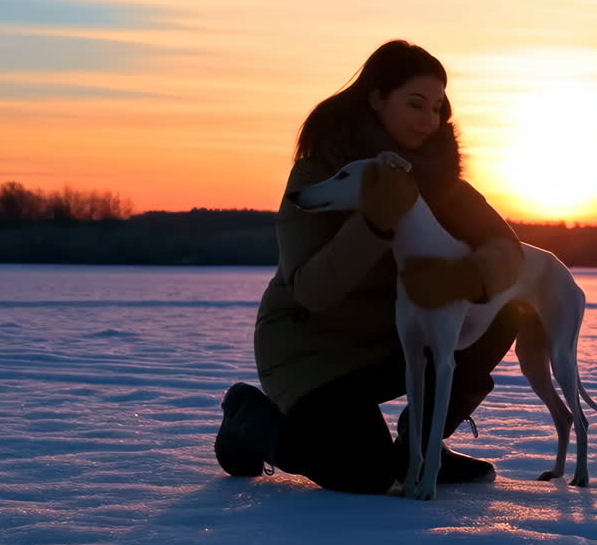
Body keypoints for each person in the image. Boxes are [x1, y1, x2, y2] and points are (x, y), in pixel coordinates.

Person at [213, 40, 524, 494]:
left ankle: (420, 448)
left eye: (438, 108)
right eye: (415, 104)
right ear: (377, 99)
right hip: (313, 350)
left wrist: (468, 277)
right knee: (365, 476)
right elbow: (313, 292)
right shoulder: (320, 175)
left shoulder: (440, 181)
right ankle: (248, 417)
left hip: (389, 341)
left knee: (501, 313)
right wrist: (374, 222)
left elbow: (507, 252)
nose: (428, 120)